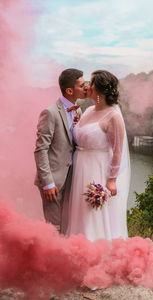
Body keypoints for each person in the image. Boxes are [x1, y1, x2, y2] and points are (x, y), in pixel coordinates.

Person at [66, 70, 131, 241]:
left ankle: (95, 250)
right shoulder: (87, 111)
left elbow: (118, 151)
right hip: (80, 167)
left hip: (98, 169)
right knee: (79, 211)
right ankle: (77, 247)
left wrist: (111, 180)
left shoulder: (113, 117)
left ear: (99, 89)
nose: (87, 86)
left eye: (90, 82)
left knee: (93, 213)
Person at [34, 68, 87, 233]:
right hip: (53, 181)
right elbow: (40, 149)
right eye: (82, 85)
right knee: (54, 229)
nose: (86, 87)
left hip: (72, 177)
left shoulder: (78, 110)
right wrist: (48, 182)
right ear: (70, 90)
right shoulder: (50, 113)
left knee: (67, 226)